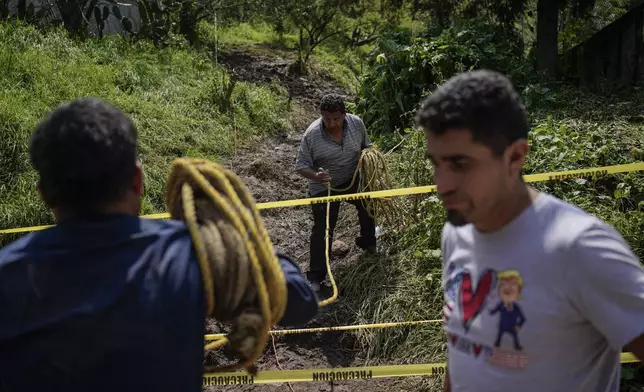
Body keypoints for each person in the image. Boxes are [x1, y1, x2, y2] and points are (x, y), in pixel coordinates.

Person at [0, 98, 319, 392]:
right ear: (138, 181)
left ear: (43, 193)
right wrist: (242, 237)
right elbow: (299, 302)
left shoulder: (8, 275)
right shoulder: (193, 257)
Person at [415, 69, 644, 392]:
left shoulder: (579, 248)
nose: (442, 185)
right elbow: (465, 348)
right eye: (436, 164)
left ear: (515, 157)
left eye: (460, 164)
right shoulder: (458, 231)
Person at [295, 93, 377, 293]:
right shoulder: (312, 134)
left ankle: (368, 244)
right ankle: (316, 276)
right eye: (327, 119)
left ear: (344, 114)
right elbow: (301, 166)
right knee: (323, 228)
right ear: (322, 116)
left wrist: (370, 156)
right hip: (324, 186)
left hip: (352, 178)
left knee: (368, 205)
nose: (332, 123)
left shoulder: (356, 124)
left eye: (336, 118)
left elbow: (367, 146)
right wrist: (316, 176)